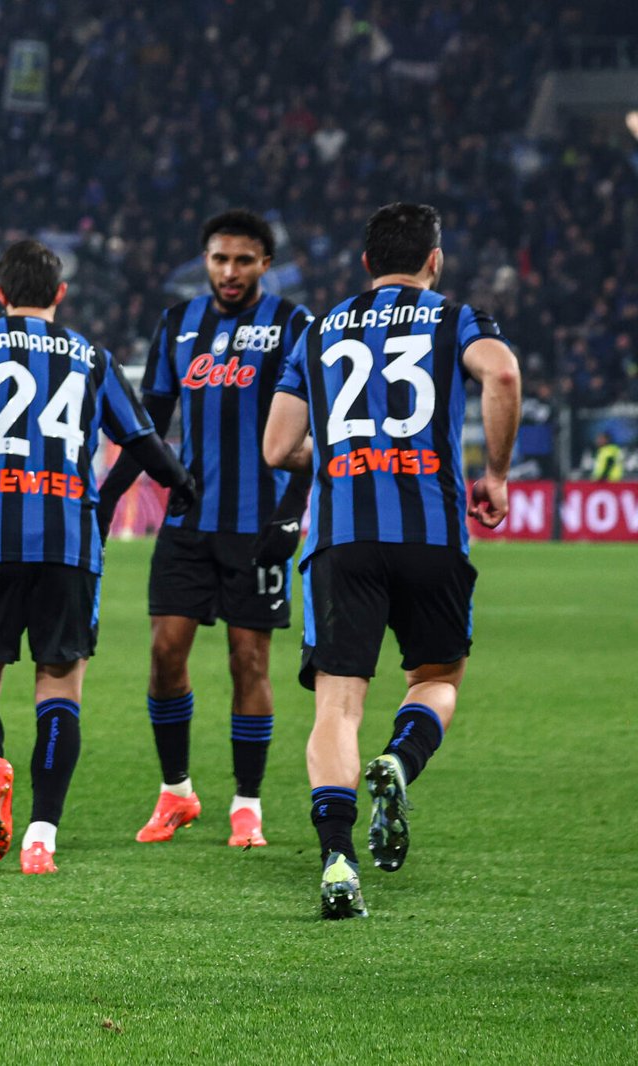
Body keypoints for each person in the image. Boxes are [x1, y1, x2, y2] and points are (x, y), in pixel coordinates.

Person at [0, 239, 197, 874]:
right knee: (59, 688)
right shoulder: (93, 356)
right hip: (69, 542)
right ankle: (42, 836)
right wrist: (182, 479)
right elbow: (145, 442)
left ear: (1, 294)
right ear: (60, 295)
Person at [263, 202, 520, 919]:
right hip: (433, 534)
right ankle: (400, 761)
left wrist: (347, 455)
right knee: (436, 676)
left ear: (366, 262)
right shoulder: (452, 315)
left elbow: (278, 448)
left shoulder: (317, 329)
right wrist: (494, 474)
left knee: (337, 705)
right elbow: (500, 377)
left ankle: (338, 861)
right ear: (433, 261)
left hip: (343, 539)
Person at [97, 210, 314, 849]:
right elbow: (147, 422)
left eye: (243, 260)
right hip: (189, 520)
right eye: (219, 259)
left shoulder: (293, 327)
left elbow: (311, 432)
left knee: (248, 660)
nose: (229, 272)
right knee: (165, 654)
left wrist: (293, 511)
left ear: (265, 265)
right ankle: (177, 793)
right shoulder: (177, 324)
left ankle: (247, 805)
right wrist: (108, 499)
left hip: (260, 524)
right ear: (206, 261)